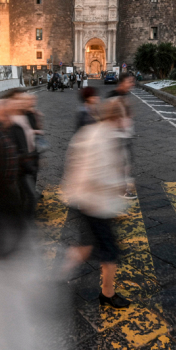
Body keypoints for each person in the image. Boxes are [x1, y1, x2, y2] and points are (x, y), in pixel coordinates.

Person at [62, 100, 132, 309]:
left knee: (87, 246)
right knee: (110, 252)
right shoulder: (105, 138)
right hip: (94, 204)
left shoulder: (90, 132)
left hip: (83, 200)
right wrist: (120, 186)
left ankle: (59, 276)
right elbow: (98, 175)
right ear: (117, 117)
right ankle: (107, 294)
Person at [5, 90, 39, 218]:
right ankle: (23, 221)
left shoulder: (27, 115)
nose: (23, 102)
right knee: (30, 196)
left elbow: (28, 135)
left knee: (26, 195)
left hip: (29, 159)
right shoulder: (9, 121)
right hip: (20, 165)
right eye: (19, 99)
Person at [107, 72, 136, 200]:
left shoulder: (124, 96)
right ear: (122, 82)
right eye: (129, 81)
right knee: (121, 165)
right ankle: (121, 190)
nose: (132, 84)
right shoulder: (114, 97)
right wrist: (121, 124)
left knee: (123, 165)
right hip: (117, 137)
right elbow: (107, 117)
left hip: (124, 136)